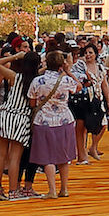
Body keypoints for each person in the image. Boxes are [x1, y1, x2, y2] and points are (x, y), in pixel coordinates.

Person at [27, 46, 78, 196]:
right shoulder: (66, 79)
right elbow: (79, 86)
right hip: (64, 119)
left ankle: (52, 190)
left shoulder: (38, 81)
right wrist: (68, 71)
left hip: (43, 120)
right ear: (61, 64)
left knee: (47, 156)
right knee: (64, 156)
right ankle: (64, 189)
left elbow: (32, 102)